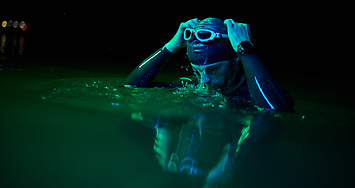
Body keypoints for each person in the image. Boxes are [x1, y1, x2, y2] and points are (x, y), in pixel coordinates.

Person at [121, 17, 294, 112]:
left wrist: (245, 50)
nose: (204, 80)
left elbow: (275, 112)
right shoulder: (194, 85)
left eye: (212, 69)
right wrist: (171, 46)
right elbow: (130, 90)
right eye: (197, 71)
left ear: (235, 58)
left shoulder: (258, 93)